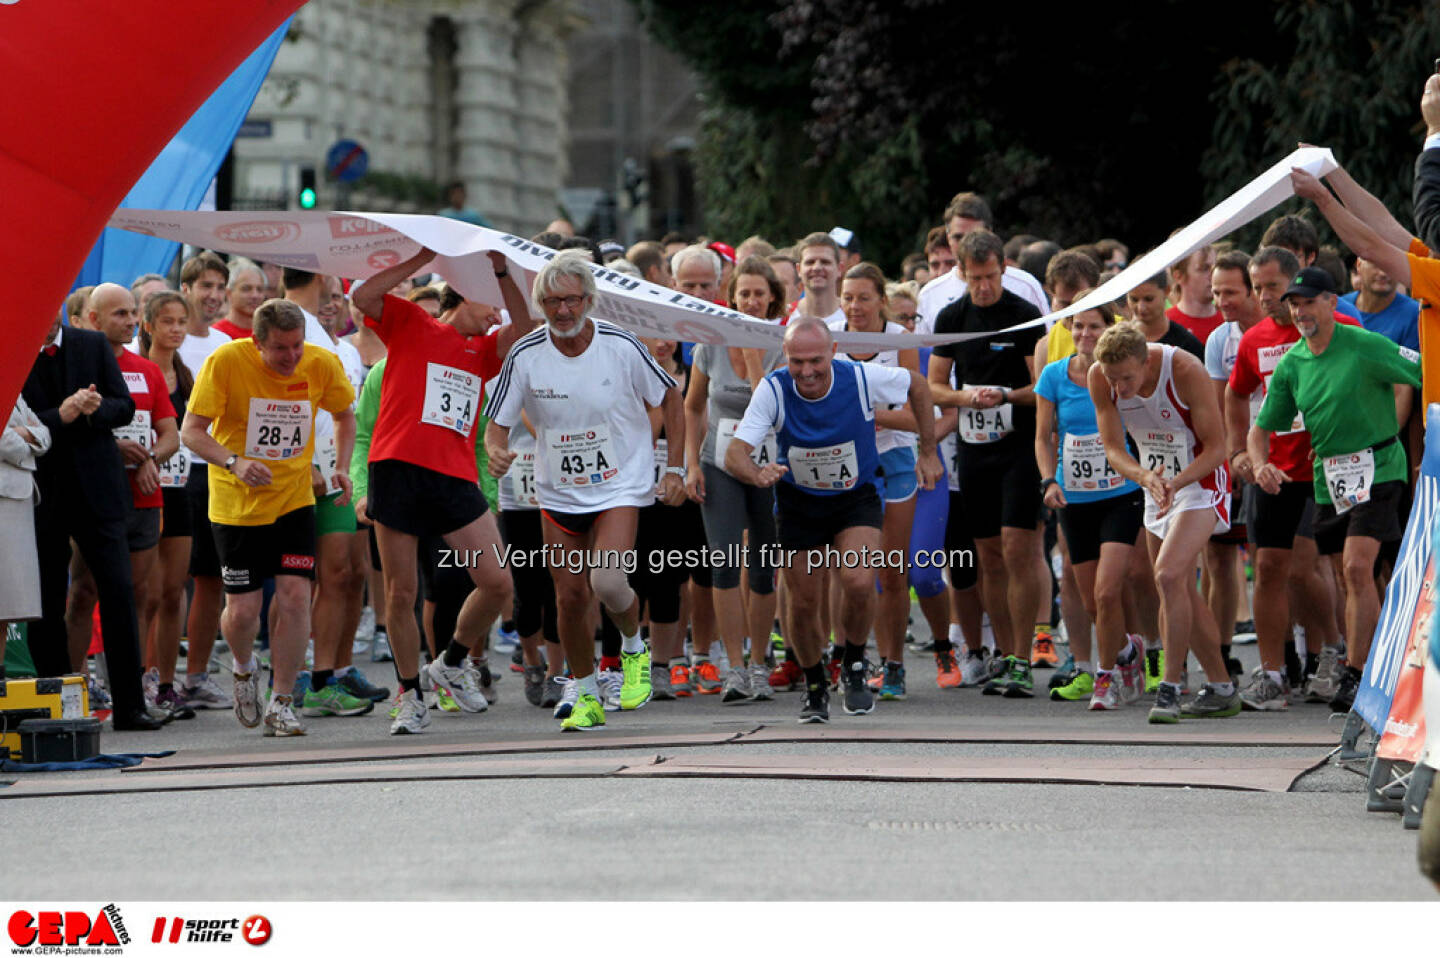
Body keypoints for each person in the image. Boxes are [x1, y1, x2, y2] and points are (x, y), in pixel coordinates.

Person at [485, 251, 685, 732]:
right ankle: (586, 691)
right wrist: (496, 450)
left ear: (589, 301)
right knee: (570, 596)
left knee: (608, 582)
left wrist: (676, 466)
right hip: (559, 492)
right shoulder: (526, 353)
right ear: (541, 305)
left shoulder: (619, 345)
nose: (563, 311)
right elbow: (497, 424)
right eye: (552, 302)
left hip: (619, 483)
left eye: (572, 300)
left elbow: (671, 399)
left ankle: (634, 648)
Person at [724, 316, 942, 722]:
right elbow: (734, 452)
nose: (806, 372)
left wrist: (928, 451)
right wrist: (756, 474)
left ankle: (855, 665)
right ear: (786, 356)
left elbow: (917, 383)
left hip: (854, 497)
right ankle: (813, 683)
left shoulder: (859, 377)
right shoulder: (774, 388)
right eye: (797, 361)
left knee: (859, 580)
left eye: (816, 361)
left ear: (833, 354)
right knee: (804, 601)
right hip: (799, 501)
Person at [351, 248, 531, 734]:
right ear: (461, 292)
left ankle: (450, 661)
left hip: (453, 476)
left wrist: (502, 274)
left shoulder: (481, 350)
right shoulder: (412, 322)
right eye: (489, 303)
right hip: (397, 468)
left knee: (498, 583)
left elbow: (527, 330)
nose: (497, 314)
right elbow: (362, 294)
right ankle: (409, 695)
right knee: (402, 590)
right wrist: (423, 256)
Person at [1249, 266, 1421, 714]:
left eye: (1309, 301)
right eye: (1294, 303)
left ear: (1332, 302)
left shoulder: (1362, 343)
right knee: (1353, 577)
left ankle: (1356, 673)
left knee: (1357, 567)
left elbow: (1421, 371)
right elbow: (1262, 426)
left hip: (1381, 465)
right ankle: (1389, 664)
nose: (1300, 311)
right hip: (1331, 476)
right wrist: (1260, 461)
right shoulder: (1292, 363)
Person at [181, 299, 356, 737]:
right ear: (256, 342)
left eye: (297, 346)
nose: (291, 357)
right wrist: (234, 462)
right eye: (280, 348)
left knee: (296, 597)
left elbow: (344, 416)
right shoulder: (226, 361)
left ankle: (281, 701)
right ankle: (243, 668)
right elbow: (191, 431)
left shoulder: (320, 363)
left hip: (294, 500)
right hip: (236, 504)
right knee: (243, 612)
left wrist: (342, 466)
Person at [1090, 321, 1240, 723]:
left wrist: (1177, 480)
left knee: (1169, 576)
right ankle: (1222, 687)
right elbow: (1110, 447)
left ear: (1146, 362)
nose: (1119, 388)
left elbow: (1217, 448)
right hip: (1155, 482)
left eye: (1127, 378)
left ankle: (1170, 686)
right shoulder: (1099, 375)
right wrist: (1145, 477)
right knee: (1177, 592)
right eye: (1111, 378)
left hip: (1198, 480)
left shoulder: (1184, 370)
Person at [22, 304, 159, 730]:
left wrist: (94, 409)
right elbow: (13, 426)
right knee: (45, 602)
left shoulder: (92, 344)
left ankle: (131, 706)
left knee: (119, 594)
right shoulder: (15, 351)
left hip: (98, 491)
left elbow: (124, 407)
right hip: (43, 494)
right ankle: (55, 706)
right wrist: (62, 414)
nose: (45, 320)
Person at [1226, 248, 1349, 710]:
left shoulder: (1341, 328)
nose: (1265, 297)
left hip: (1324, 469)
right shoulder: (1254, 338)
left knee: (1308, 566)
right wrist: (1238, 451)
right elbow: (1235, 394)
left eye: (1273, 287)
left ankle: (1335, 655)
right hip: (1273, 468)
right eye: (1258, 288)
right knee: (1271, 568)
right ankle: (1273, 673)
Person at [927, 229, 1047, 697]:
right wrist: (965, 397)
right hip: (974, 449)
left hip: (1018, 444)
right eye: (974, 278)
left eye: (991, 276)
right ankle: (1004, 654)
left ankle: (1021, 655)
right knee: (988, 556)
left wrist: (1004, 395)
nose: (983, 287)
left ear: (1004, 269)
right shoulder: (952, 316)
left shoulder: (1023, 314)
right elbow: (934, 385)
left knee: (1019, 548)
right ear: (961, 273)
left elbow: (1041, 386)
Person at [1034, 301, 1146, 709]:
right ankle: (1127, 652)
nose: (1084, 335)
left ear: (1109, 328)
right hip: (1073, 496)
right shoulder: (1053, 375)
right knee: (1089, 600)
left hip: (1120, 494)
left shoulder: (1116, 374)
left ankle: (1107, 676)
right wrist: (1048, 480)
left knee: (1107, 589)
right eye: (1078, 326)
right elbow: (1043, 435)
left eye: (1093, 327)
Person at [80, 284, 184, 717]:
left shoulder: (147, 370)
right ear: (93, 319)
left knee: (141, 595)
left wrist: (149, 461)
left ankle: (134, 685)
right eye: (119, 313)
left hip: (145, 496)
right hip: (94, 495)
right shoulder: (80, 365)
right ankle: (78, 685)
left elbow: (171, 435)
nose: (129, 321)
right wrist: (113, 448)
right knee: (84, 593)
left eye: (131, 313)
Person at [683, 256, 784, 702]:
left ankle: (760, 663)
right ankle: (735, 669)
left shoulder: (783, 345)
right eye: (743, 293)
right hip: (719, 465)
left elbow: (772, 404)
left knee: (763, 569)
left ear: (771, 299)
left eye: (759, 294)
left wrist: (751, 356)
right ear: (732, 297)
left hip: (768, 469)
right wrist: (688, 464)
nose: (751, 301)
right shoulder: (710, 343)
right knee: (723, 563)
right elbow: (691, 405)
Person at [829, 263, 921, 699]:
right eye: (848, 298)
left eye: (864, 298)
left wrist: (861, 410)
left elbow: (912, 413)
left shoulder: (899, 341)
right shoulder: (829, 337)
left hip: (895, 458)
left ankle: (895, 664)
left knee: (892, 569)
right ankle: (848, 656)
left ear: (882, 300)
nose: (854, 306)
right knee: (846, 571)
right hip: (844, 463)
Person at [138, 292, 231, 712]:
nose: (175, 329)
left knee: (175, 590)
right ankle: (142, 675)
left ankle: (170, 684)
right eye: (167, 321)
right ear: (149, 324)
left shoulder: (188, 377)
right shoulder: (135, 372)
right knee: (149, 592)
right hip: (142, 489)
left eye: (181, 322)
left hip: (185, 488)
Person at [915, 192, 1048, 334]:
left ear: (990, 234)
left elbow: (1048, 346)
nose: (967, 243)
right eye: (958, 237)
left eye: (974, 235)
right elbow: (923, 352)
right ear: (948, 238)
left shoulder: (1025, 286)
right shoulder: (929, 295)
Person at [0, 394, 50, 677]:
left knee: (6, 608)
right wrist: (27, 442)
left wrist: (26, 436)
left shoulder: (13, 386)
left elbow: (45, 433)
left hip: (17, 497)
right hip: (4, 496)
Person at [1167, 246, 1222, 344]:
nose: (1213, 275)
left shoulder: (1231, 322)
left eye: (1215, 268)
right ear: (1178, 276)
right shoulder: (1165, 325)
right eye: (1204, 269)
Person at [788, 233, 845, 325]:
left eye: (825, 262)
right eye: (810, 262)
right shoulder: (783, 317)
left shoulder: (854, 316)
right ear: (798, 269)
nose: (817, 268)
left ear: (839, 269)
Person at [213, 261, 266, 340]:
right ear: (228, 293)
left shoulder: (270, 334)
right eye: (246, 289)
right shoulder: (217, 335)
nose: (255, 295)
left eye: (260, 289)